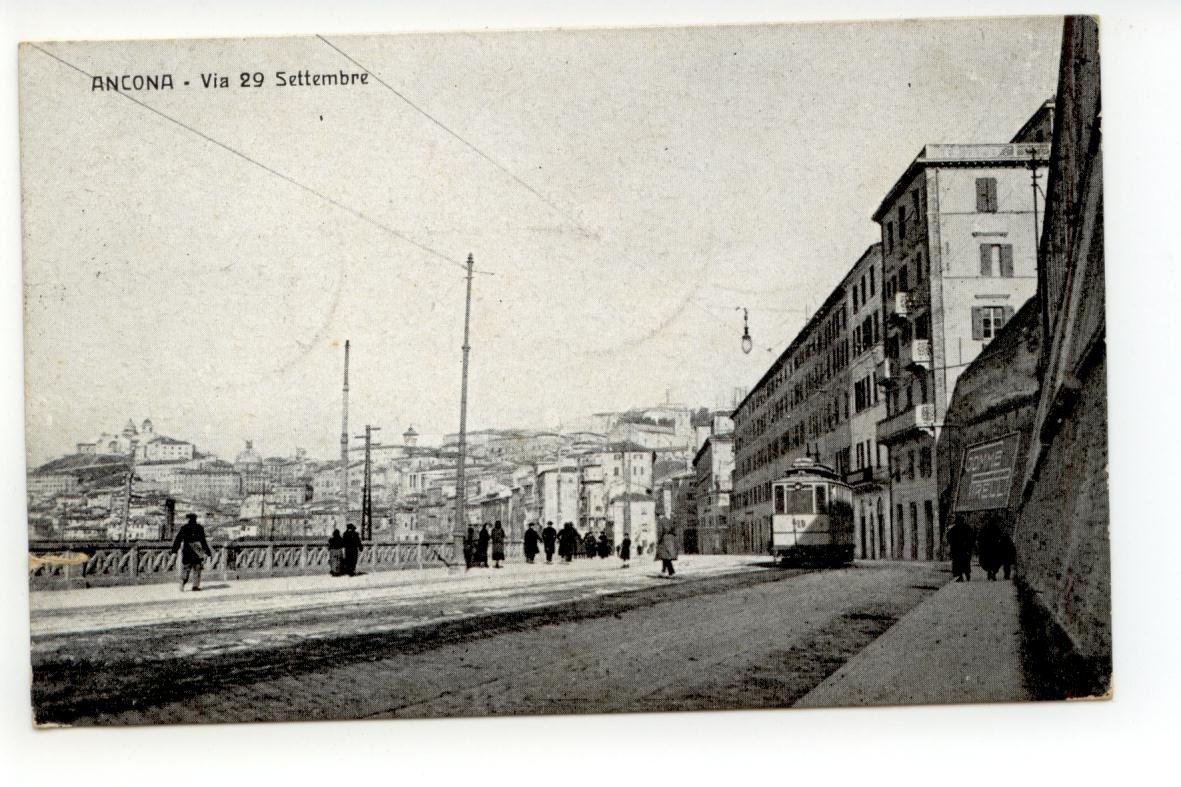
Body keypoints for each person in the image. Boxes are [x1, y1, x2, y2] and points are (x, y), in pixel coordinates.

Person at [172, 512, 212, 591]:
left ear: (188, 519)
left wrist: (174, 550)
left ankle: (182, 583)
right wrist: (208, 552)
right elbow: (203, 541)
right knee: (197, 569)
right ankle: (195, 586)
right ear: (195, 519)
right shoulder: (200, 528)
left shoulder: (184, 528)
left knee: (186, 568)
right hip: (197, 550)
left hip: (187, 550)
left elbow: (178, 539)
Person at [947, 517, 974, 582]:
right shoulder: (967, 528)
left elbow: (949, 539)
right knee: (966, 563)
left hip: (956, 550)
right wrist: (969, 547)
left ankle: (959, 577)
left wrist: (952, 547)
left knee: (957, 564)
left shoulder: (953, 529)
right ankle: (967, 575)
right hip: (965, 550)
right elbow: (971, 538)